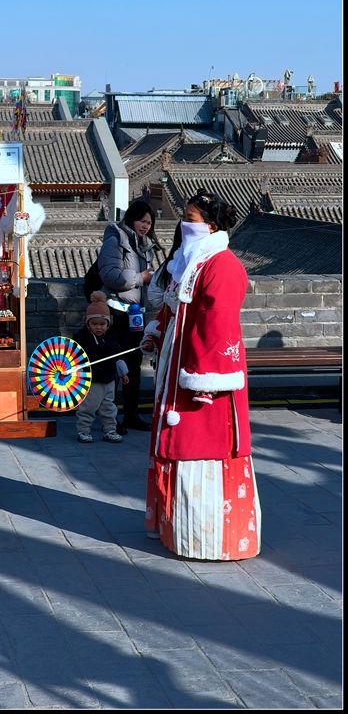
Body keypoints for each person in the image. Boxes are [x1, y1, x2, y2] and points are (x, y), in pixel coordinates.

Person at [140, 192, 261, 561]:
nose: (183, 224)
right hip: (178, 363)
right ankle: (176, 527)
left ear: (211, 226)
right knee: (178, 441)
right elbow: (174, 308)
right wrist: (157, 332)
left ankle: (209, 537)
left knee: (201, 444)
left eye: (190, 219)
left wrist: (204, 377)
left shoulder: (222, 265)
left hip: (204, 376)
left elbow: (217, 324)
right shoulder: (189, 262)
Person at [97, 199, 158, 432]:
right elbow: (109, 274)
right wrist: (141, 278)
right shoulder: (116, 239)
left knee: (133, 365)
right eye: (142, 221)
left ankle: (131, 415)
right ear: (132, 218)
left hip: (135, 315)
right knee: (113, 365)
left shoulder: (145, 244)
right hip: (115, 312)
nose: (145, 226)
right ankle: (110, 420)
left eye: (149, 223)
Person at [73, 292, 129, 443]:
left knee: (109, 407)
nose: (98, 327)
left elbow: (117, 356)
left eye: (102, 324)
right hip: (92, 380)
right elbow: (75, 357)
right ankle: (84, 431)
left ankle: (110, 430)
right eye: (94, 324)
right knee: (88, 407)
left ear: (108, 323)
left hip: (109, 378)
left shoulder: (112, 337)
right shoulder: (82, 338)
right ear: (87, 323)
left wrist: (123, 373)